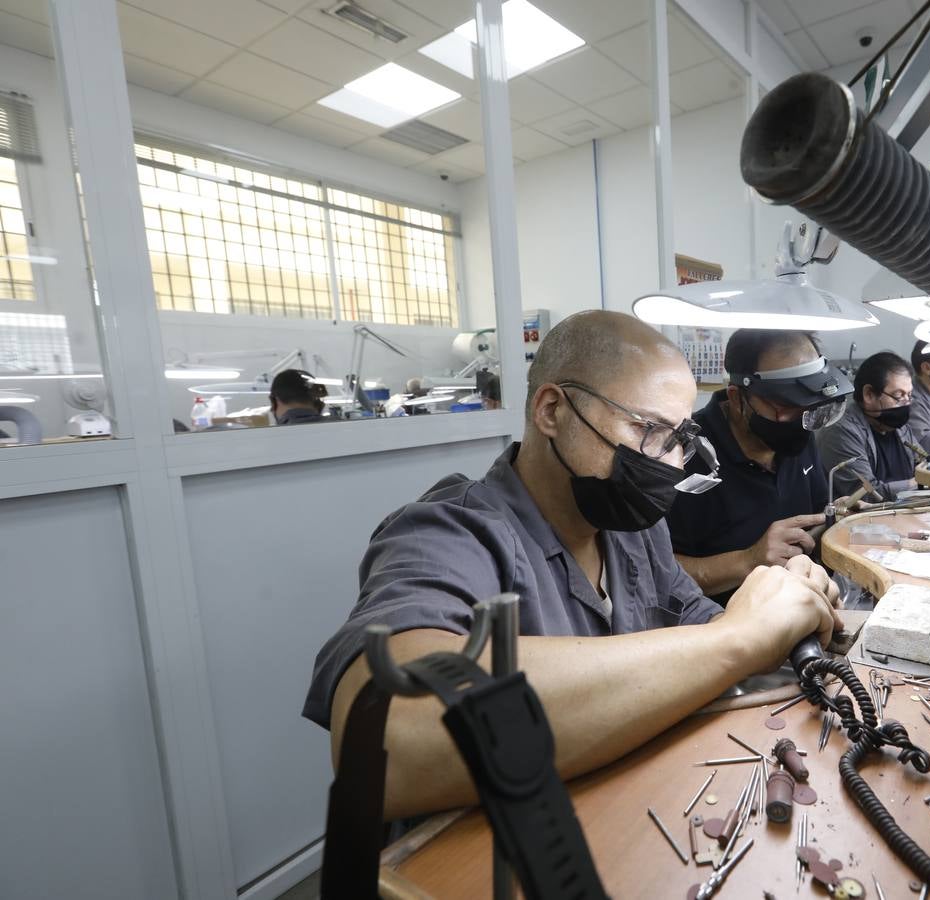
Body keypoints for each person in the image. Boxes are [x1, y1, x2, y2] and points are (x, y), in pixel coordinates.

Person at [303, 311, 840, 819]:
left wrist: (795, 617)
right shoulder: (447, 534)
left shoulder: (636, 534)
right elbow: (384, 734)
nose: (671, 466)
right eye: (648, 431)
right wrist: (740, 638)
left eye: (681, 440)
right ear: (552, 411)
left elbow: (702, 629)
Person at [666, 330, 849, 603]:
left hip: (801, 607)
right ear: (737, 397)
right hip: (720, 627)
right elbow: (655, 574)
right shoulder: (679, 457)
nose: (801, 420)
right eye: (785, 405)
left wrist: (839, 521)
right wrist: (748, 560)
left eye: (810, 405)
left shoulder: (798, 435)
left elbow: (815, 518)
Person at [817, 352, 922, 501]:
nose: (906, 403)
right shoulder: (840, 432)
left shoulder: (898, 427)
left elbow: (924, 464)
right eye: (899, 395)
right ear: (869, 395)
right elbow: (868, 494)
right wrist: (919, 483)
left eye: (909, 395)